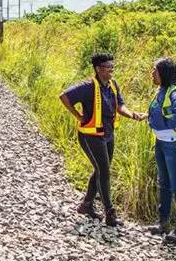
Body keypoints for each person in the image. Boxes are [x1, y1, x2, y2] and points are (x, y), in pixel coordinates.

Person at [60, 52, 147, 227]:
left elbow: (120, 106)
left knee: (100, 169)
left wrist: (132, 115)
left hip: (107, 133)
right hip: (91, 136)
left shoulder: (113, 85)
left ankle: (86, 205)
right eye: (108, 68)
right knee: (104, 171)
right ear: (98, 69)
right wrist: (78, 115)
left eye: (112, 67)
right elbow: (64, 97)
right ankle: (110, 212)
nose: (111, 71)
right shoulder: (88, 87)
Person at [146, 57, 176, 244]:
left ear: (163, 73)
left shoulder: (174, 93)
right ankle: (163, 223)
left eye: (155, 71)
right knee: (163, 183)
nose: (152, 74)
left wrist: (167, 124)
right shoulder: (161, 92)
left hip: (173, 145)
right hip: (161, 142)